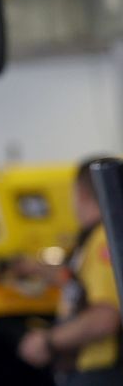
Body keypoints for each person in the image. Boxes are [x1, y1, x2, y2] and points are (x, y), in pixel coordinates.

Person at [18, 158, 123, 386]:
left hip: (102, 372)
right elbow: (78, 281)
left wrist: (48, 341)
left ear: (81, 194)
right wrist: (34, 267)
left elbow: (105, 318)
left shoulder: (104, 240)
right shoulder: (97, 236)